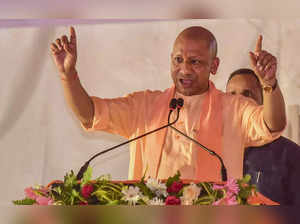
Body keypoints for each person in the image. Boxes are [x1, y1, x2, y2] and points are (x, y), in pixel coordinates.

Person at [50, 26, 286, 182]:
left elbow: (272, 124)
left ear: (214, 66)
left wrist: (269, 84)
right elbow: (90, 115)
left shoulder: (235, 108)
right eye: (178, 60)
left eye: (195, 62)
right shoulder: (144, 106)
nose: (184, 69)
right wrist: (68, 76)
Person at [226, 68, 300, 205]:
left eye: (247, 94)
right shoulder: (214, 150)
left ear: (264, 102)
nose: (238, 100)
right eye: (231, 95)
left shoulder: (289, 153)